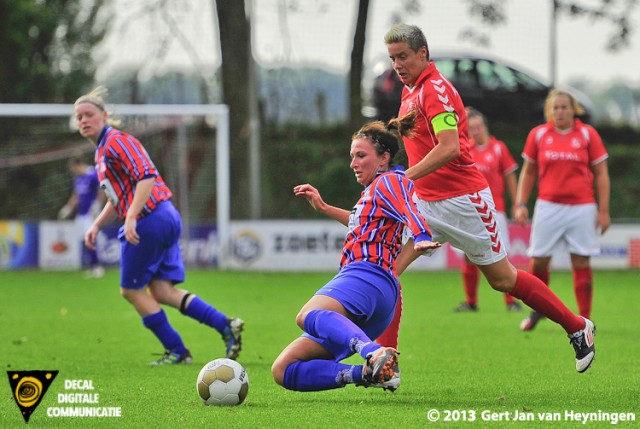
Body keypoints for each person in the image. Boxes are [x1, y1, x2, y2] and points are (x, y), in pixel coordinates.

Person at [383, 22, 596, 373]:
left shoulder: (434, 89)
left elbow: (449, 148)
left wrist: (404, 177)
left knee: (503, 280)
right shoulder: (409, 92)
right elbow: (421, 148)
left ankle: (577, 327)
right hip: (425, 203)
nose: (397, 65)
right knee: (388, 272)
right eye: (392, 59)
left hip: (463, 200)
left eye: (403, 56)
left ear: (423, 54)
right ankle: (385, 362)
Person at [271, 111, 441, 392]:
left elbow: (409, 208)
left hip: (366, 276)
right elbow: (359, 221)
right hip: (377, 295)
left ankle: (373, 352)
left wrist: (421, 235)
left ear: (384, 157)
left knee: (307, 315)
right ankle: (369, 373)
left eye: (361, 156)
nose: (353, 163)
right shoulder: (376, 190)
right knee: (284, 369)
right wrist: (324, 208)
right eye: (352, 156)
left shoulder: (389, 181)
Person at [75, 87, 244, 365]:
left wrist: (131, 217)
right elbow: (116, 197)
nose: (83, 120)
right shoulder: (101, 151)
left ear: (104, 116)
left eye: (89, 114)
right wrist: (96, 224)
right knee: (162, 291)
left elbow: (147, 176)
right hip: (161, 215)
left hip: (149, 218)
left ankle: (178, 351)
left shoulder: (116, 141)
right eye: (79, 116)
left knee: (131, 290)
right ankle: (225, 325)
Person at [514, 89, 610, 331]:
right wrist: (520, 203)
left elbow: (601, 174)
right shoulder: (538, 135)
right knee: (537, 263)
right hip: (548, 206)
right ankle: (539, 309)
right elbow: (528, 172)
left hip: (582, 207)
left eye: (564, 107)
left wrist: (604, 210)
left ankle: (585, 320)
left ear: (573, 109)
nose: (560, 111)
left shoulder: (588, 135)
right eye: (555, 107)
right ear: (550, 110)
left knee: (580, 261)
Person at [452, 107, 521, 313]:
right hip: (469, 210)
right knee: (468, 254)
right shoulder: (465, 150)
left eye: (479, 127)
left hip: (495, 210)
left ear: (485, 127)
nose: (476, 131)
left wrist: (518, 203)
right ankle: (471, 301)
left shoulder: (498, 149)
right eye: (471, 128)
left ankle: (511, 301)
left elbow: (510, 177)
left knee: (502, 254)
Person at [58, 156, 106, 278]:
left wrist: (98, 205)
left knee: (90, 238)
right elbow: (76, 195)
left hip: (91, 213)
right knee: (84, 239)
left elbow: (102, 190)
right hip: (81, 213)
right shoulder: (78, 178)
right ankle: (92, 265)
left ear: (77, 165)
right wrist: (68, 208)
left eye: (73, 168)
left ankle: (98, 266)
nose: (73, 171)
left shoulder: (93, 174)